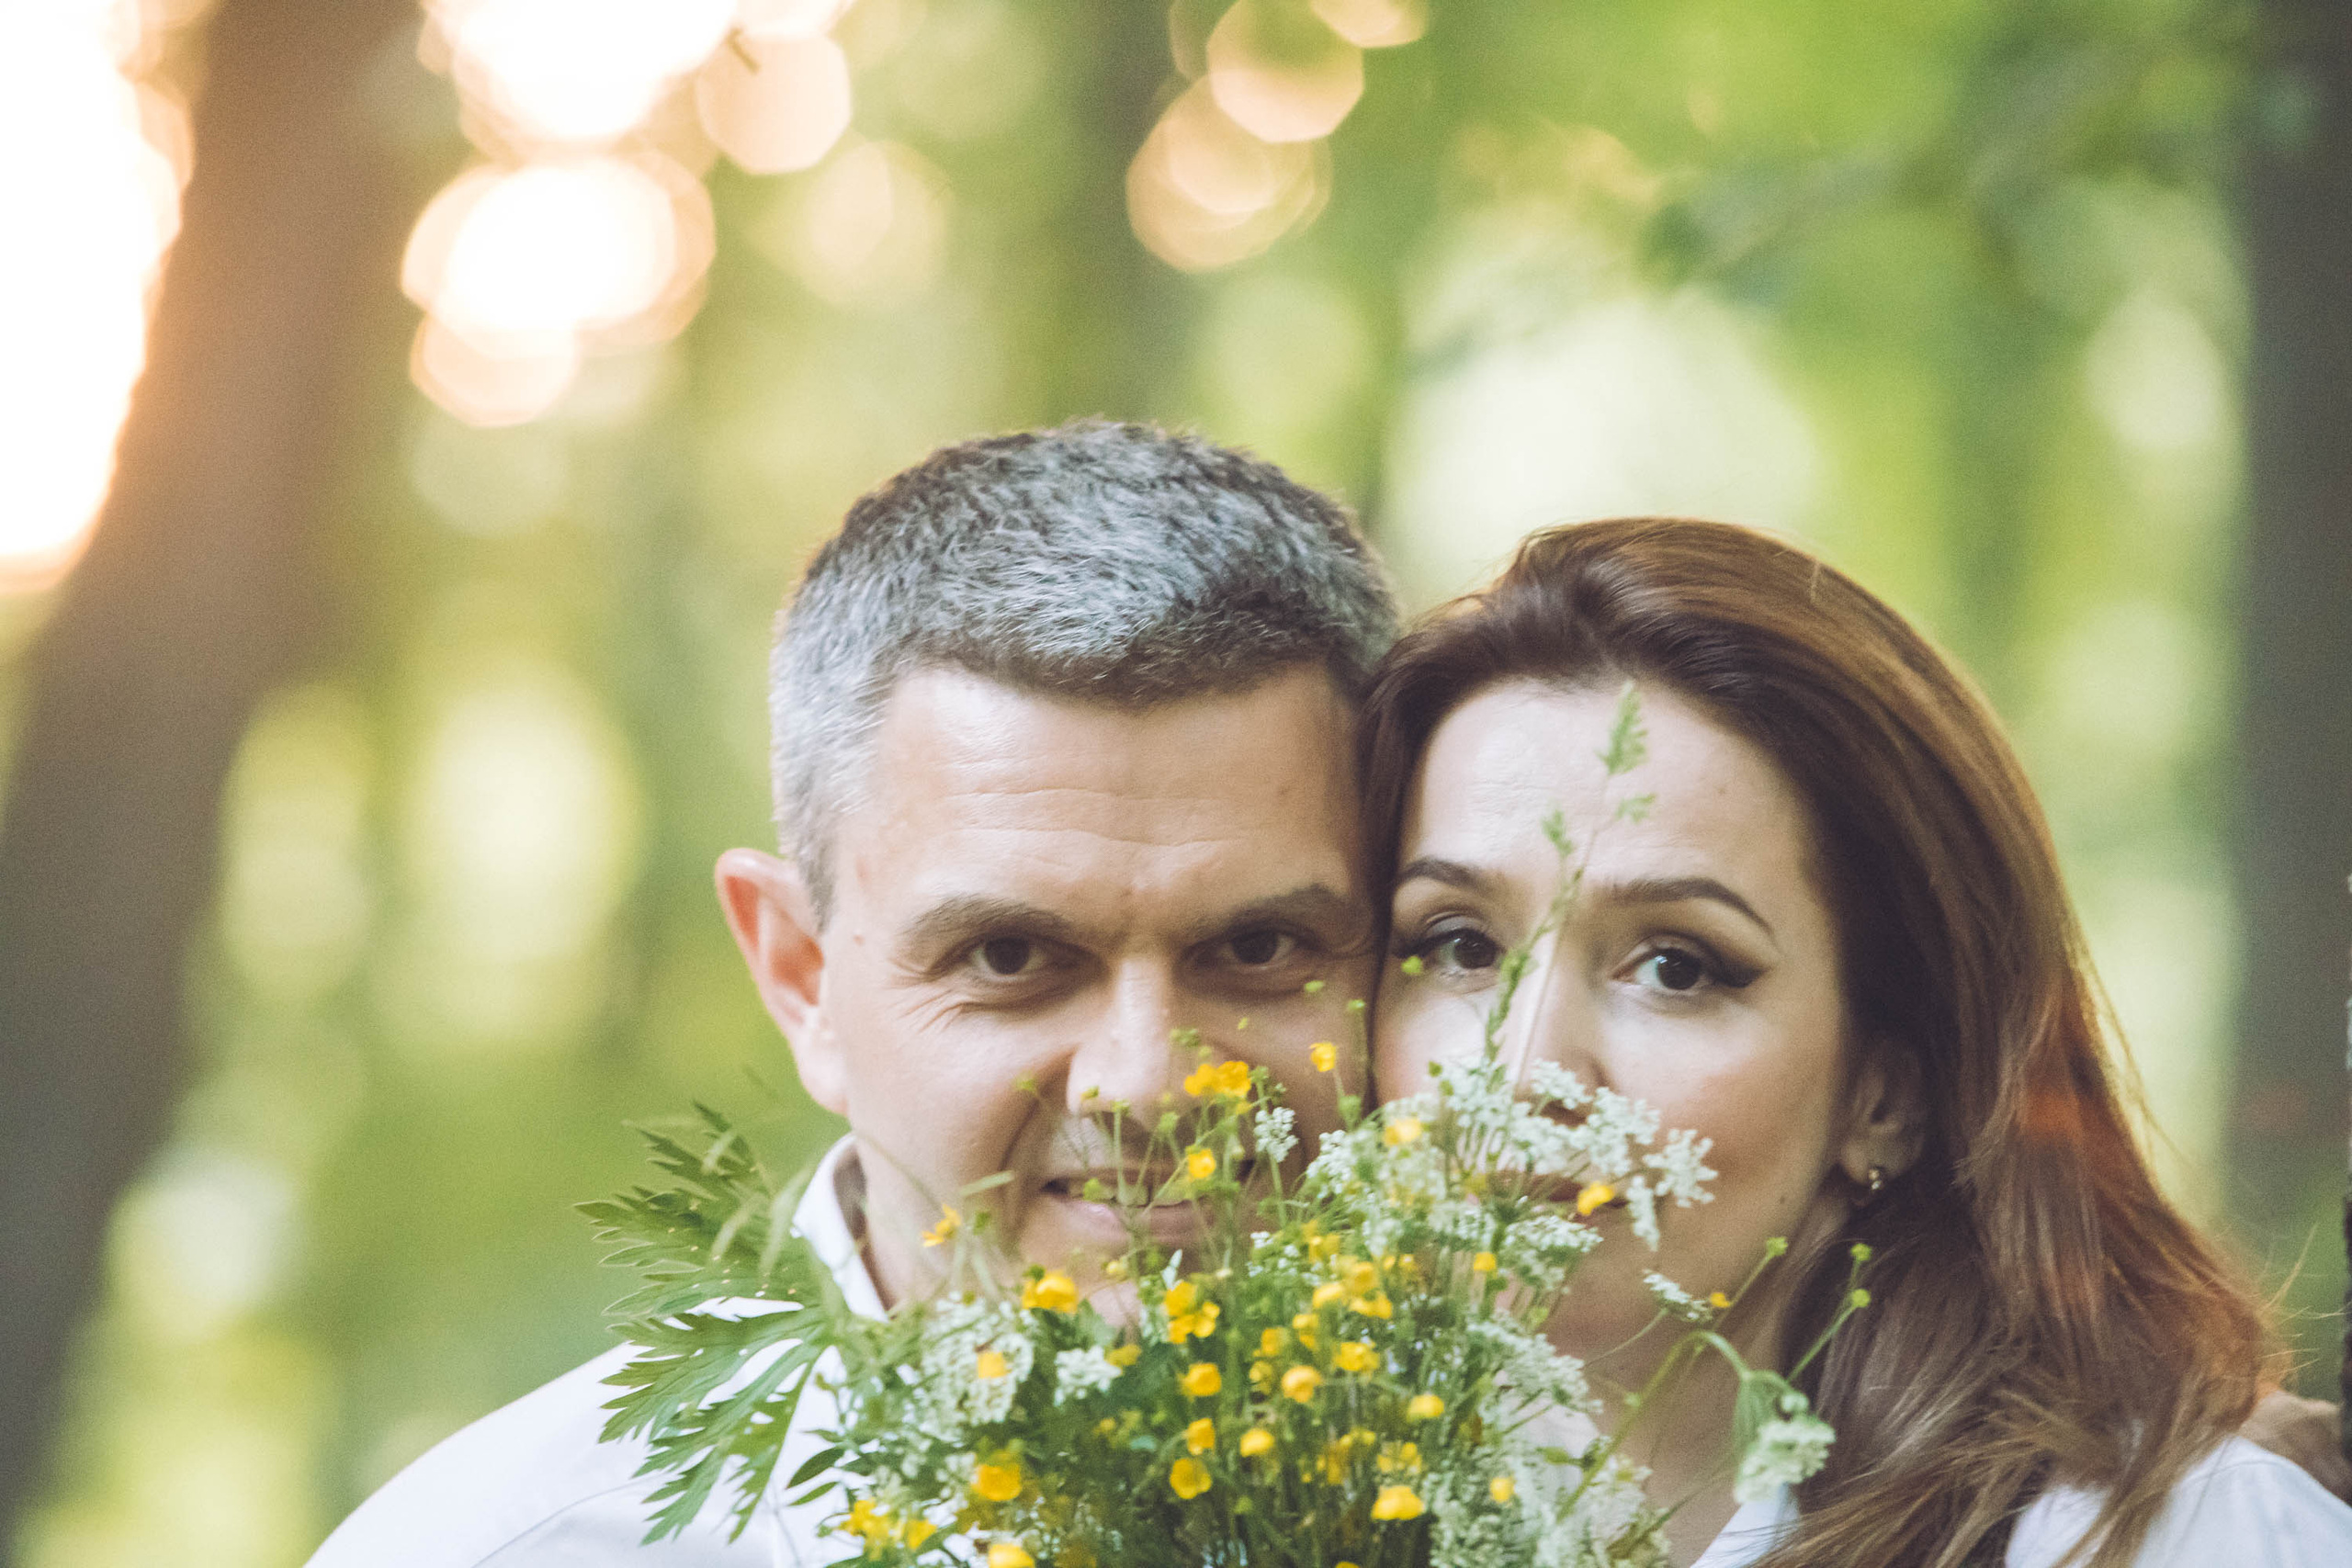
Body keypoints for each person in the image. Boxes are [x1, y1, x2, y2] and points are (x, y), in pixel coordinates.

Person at [305, 421, 1397, 1565]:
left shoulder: (1569, 1488)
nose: (1150, 1081)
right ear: (801, 975)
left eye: (1263, 945)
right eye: (1013, 959)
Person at [1355, 515, 2352, 1567]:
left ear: (1889, 1093)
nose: (1524, 1069)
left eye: (1676, 967)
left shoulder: (2162, 1538)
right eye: (1458, 944)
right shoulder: (1293, 1475)